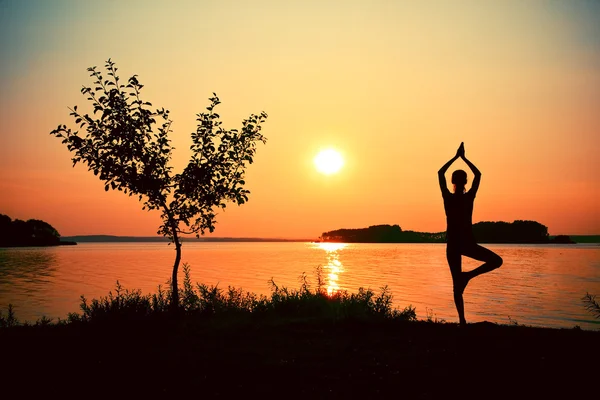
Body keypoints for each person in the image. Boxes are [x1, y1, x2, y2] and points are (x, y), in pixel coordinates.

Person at [438, 142, 503, 325]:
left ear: (453, 182)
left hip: (455, 244)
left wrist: (455, 157)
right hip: (465, 243)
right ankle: (467, 280)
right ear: (465, 182)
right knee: (496, 261)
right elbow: (479, 174)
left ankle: (462, 320)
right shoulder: (468, 197)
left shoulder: (448, 198)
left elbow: (440, 173)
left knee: (456, 284)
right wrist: (464, 158)